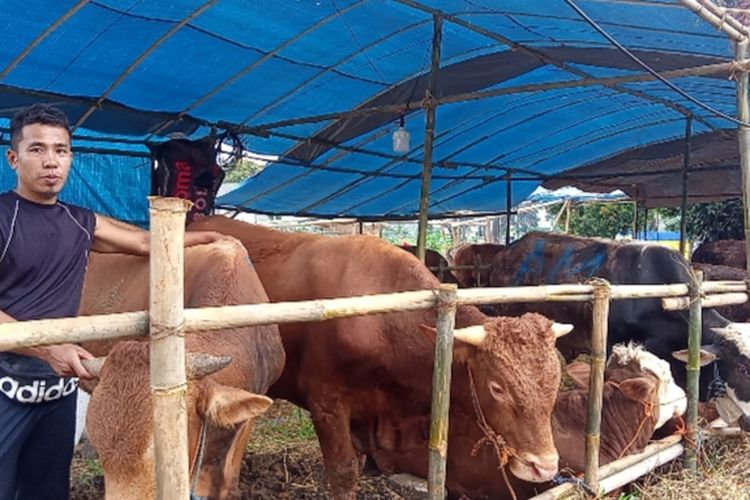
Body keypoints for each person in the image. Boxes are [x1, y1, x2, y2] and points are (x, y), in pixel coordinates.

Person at [0, 103, 230, 499]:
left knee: (48, 491)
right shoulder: (3, 216)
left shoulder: (80, 221)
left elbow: (144, 242)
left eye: (61, 150)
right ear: (13, 158)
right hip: (5, 387)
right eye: (37, 149)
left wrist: (210, 239)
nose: (51, 161)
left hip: (57, 394)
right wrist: (46, 347)